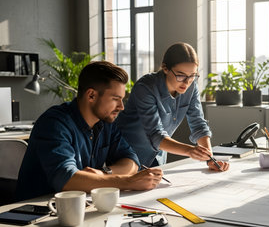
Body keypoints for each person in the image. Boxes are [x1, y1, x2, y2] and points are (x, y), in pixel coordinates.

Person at [16, 61, 163, 201]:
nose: (121, 107)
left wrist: (104, 173)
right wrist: (129, 182)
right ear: (91, 95)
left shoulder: (106, 124)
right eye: (115, 99)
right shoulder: (54, 123)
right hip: (37, 210)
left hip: (79, 205)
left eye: (122, 100)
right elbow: (68, 180)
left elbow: (131, 161)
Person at [116, 42, 229, 171]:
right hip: (128, 156)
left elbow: (198, 124)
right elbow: (155, 134)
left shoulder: (191, 87)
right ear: (165, 68)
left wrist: (210, 158)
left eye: (192, 76)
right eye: (181, 75)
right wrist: (190, 151)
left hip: (158, 158)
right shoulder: (145, 87)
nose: (187, 82)